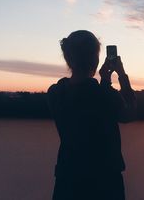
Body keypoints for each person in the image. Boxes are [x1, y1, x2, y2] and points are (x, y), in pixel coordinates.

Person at [47, 30, 136, 200]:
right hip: (105, 182)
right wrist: (122, 76)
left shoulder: (55, 93)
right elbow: (129, 113)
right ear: (95, 59)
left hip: (68, 179)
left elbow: (86, 104)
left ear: (68, 59)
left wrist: (105, 82)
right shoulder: (104, 95)